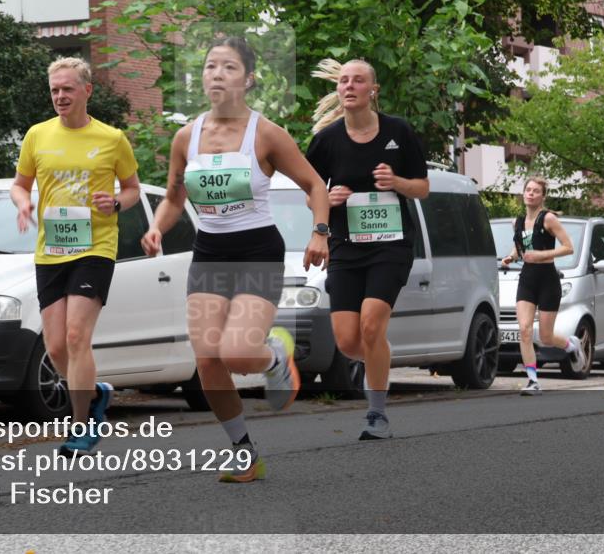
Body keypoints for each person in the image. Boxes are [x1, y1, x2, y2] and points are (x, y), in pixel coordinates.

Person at [141, 36, 330, 482]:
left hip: (256, 252)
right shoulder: (186, 136)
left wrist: (320, 232)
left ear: (247, 79)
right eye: (210, 67)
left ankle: (275, 357)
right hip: (208, 254)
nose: (217, 75)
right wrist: (157, 227)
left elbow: (315, 186)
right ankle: (244, 451)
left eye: (228, 67)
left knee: (239, 353)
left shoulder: (264, 133)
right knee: (207, 358)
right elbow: (173, 198)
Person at [11, 56, 141, 454]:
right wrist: (22, 204)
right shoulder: (37, 135)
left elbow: (132, 189)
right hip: (51, 251)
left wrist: (115, 204)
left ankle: (81, 425)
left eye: (67, 88)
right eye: (54, 90)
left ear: (87, 90)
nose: (60, 96)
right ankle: (95, 392)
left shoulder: (111, 139)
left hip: (95, 247)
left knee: (75, 335)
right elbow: (19, 185)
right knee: (55, 348)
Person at [304, 58, 429, 441]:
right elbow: (311, 193)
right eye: (343, 81)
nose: (349, 86)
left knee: (372, 324)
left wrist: (397, 182)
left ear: (372, 90)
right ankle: (380, 353)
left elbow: (422, 187)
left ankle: (376, 415)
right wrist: (328, 199)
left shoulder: (398, 132)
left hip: (390, 244)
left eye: (358, 80)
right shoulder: (327, 140)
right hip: (346, 245)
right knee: (348, 340)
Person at [500, 176, 581, 395]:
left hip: (548, 279)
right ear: (523, 193)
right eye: (528, 190)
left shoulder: (549, 219)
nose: (531, 193)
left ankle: (570, 345)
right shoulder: (516, 222)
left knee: (545, 337)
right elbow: (521, 248)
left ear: (542, 196)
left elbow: (568, 247)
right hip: (527, 278)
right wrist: (510, 257)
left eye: (536, 191)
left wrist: (541, 255)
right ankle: (533, 381)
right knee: (525, 330)